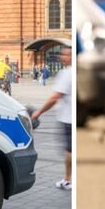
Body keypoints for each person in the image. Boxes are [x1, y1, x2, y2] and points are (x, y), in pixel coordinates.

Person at [31, 47, 72, 190]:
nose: (62, 57)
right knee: (69, 149)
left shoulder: (67, 73)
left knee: (69, 150)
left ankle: (68, 180)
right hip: (68, 117)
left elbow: (55, 97)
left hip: (68, 118)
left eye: (65, 54)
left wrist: (39, 112)